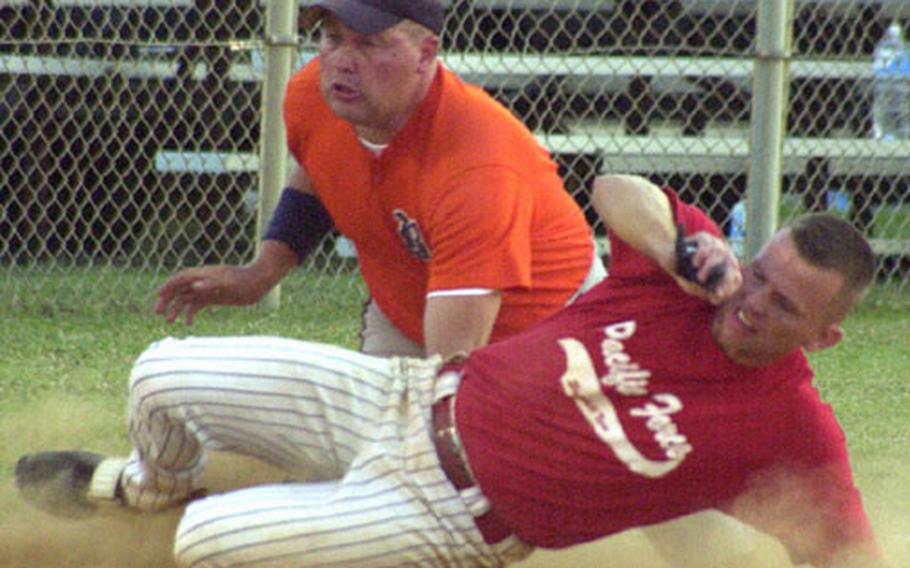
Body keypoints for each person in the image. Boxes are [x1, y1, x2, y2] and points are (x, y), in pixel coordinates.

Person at [15, 174, 885, 568]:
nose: (752, 302)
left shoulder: (790, 431)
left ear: (823, 338)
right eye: (760, 274)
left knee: (212, 545)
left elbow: (848, 557)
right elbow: (620, 190)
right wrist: (681, 245)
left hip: (451, 516)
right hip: (407, 395)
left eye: (784, 306)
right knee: (160, 373)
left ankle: (223, 518)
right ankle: (145, 488)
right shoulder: (690, 273)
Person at [153, 0, 604, 359]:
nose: (343, 61)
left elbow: (453, 366)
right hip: (409, 305)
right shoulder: (314, 96)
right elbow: (320, 170)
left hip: (546, 327)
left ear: (426, 54)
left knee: (442, 449)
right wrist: (261, 274)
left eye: (368, 43)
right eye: (332, 38)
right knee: (366, 444)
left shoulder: (477, 163)